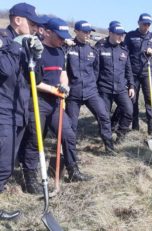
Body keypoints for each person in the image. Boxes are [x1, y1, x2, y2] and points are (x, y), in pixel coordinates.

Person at [19, 17, 92, 194]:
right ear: (48, 32)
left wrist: (64, 86)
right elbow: (32, 81)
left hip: (56, 102)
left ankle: (73, 171)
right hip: (37, 102)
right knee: (35, 141)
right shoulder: (36, 51)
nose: (61, 39)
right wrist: (53, 89)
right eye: (59, 36)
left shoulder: (61, 52)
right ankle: (30, 180)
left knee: (68, 135)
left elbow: (63, 73)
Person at [0, 2, 44, 193]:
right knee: (3, 166)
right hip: (3, 111)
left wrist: (36, 57)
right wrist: (17, 48)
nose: (36, 29)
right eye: (32, 24)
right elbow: (5, 70)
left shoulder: (25, 43)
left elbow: (35, 79)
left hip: (20, 110)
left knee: (8, 165)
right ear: (18, 20)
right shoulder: (3, 40)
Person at [65, 20, 115, 155]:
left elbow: (96, 71)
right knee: (71, 125)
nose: (87, 34)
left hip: (91, 91)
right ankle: (70, 151)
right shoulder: (68, 48)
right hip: (73, 93)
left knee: (104, 116)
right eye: (85, 31)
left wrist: (92, 85)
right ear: (76, 31)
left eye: (89, 32)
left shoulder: (93, 51)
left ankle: (109, 148)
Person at [121, 13, 152, 134]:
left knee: (150, 100)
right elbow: (124, 54)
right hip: (133, 73)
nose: (146, 26)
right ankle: (134, 125)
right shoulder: (130, 36)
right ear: (138, 23)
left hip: (147, 73)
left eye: (148, 24)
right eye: (144, 24)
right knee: (133, 100)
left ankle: (151, 128)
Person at [96, 22, 135, 144]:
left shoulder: (124, 50)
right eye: (118, 34)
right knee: (104, 116)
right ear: (110, 33)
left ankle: (120, 135)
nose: (121, 37)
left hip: (120, 88)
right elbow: (94, 69)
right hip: (104, 88)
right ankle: (107, 140)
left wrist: (131, 86)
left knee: (129, 111)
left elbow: (128, 70)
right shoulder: (100, 47)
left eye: (122, 35)